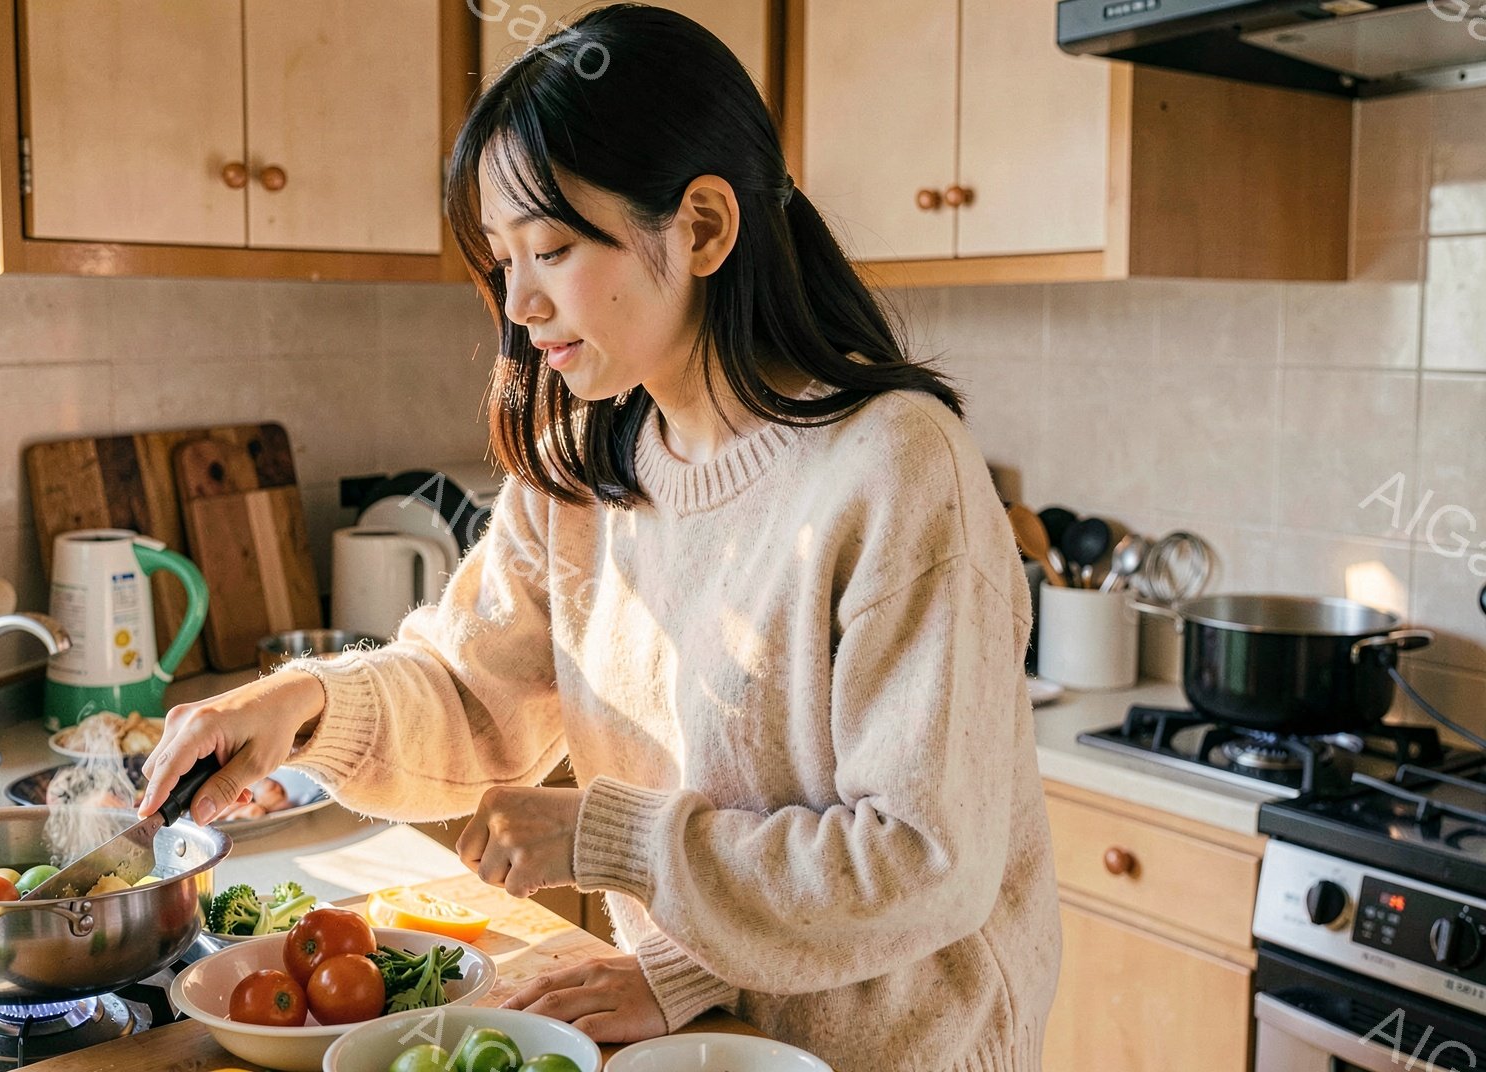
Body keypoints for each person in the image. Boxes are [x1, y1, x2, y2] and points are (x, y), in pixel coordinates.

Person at [137, 6, 1060, 1068]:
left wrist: (605, 839)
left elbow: (918, 863)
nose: (519, 302)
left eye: (554, 248)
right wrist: (300, 707)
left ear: (706, 228)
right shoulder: (585, 463)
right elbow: (474, 696)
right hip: (716, 1034)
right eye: (501, 258)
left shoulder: (896, 470)